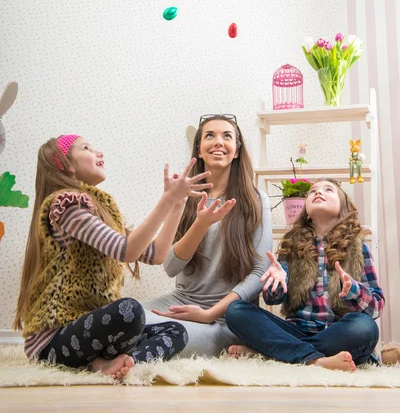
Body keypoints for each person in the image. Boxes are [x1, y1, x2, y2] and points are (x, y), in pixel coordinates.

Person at [14, 134, 212, 378]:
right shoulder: (65, 206)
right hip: (54, 342)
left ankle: (122, 364)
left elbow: (156, 254)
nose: (99, 153)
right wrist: (167, 198)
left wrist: (177, 204)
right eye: (87, 148)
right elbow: (126, 251)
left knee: (175, 331)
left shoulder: (101, 208)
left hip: (92, 334)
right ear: (63, 163)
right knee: (129, 311)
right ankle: (97, 364)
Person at [143, 114, 272, 357]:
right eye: (209, 135)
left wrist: (208, 314)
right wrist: (200, 224)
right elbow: (170, 267)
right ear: (199, 150)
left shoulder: (256, 201)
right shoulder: (184, 197)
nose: (218, 142)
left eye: (227, 136)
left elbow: (260, 274)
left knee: (172, 335)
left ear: (236, 151)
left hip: (226, 316)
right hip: (182, 300)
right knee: (120, 317)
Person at [225, 179, 384, 371]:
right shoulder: (292, 246)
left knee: (364, 327)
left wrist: (355, 291)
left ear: (343, 208)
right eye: (312, 191)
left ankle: (272, 353)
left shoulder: (359, 247)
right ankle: (315, 360)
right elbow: (272, 300)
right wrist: (276, 283)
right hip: (295, 331)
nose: (318, 192)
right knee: (236, 310)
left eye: (328, 190)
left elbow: (376, 308)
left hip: (337, 332)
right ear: (306, 212)